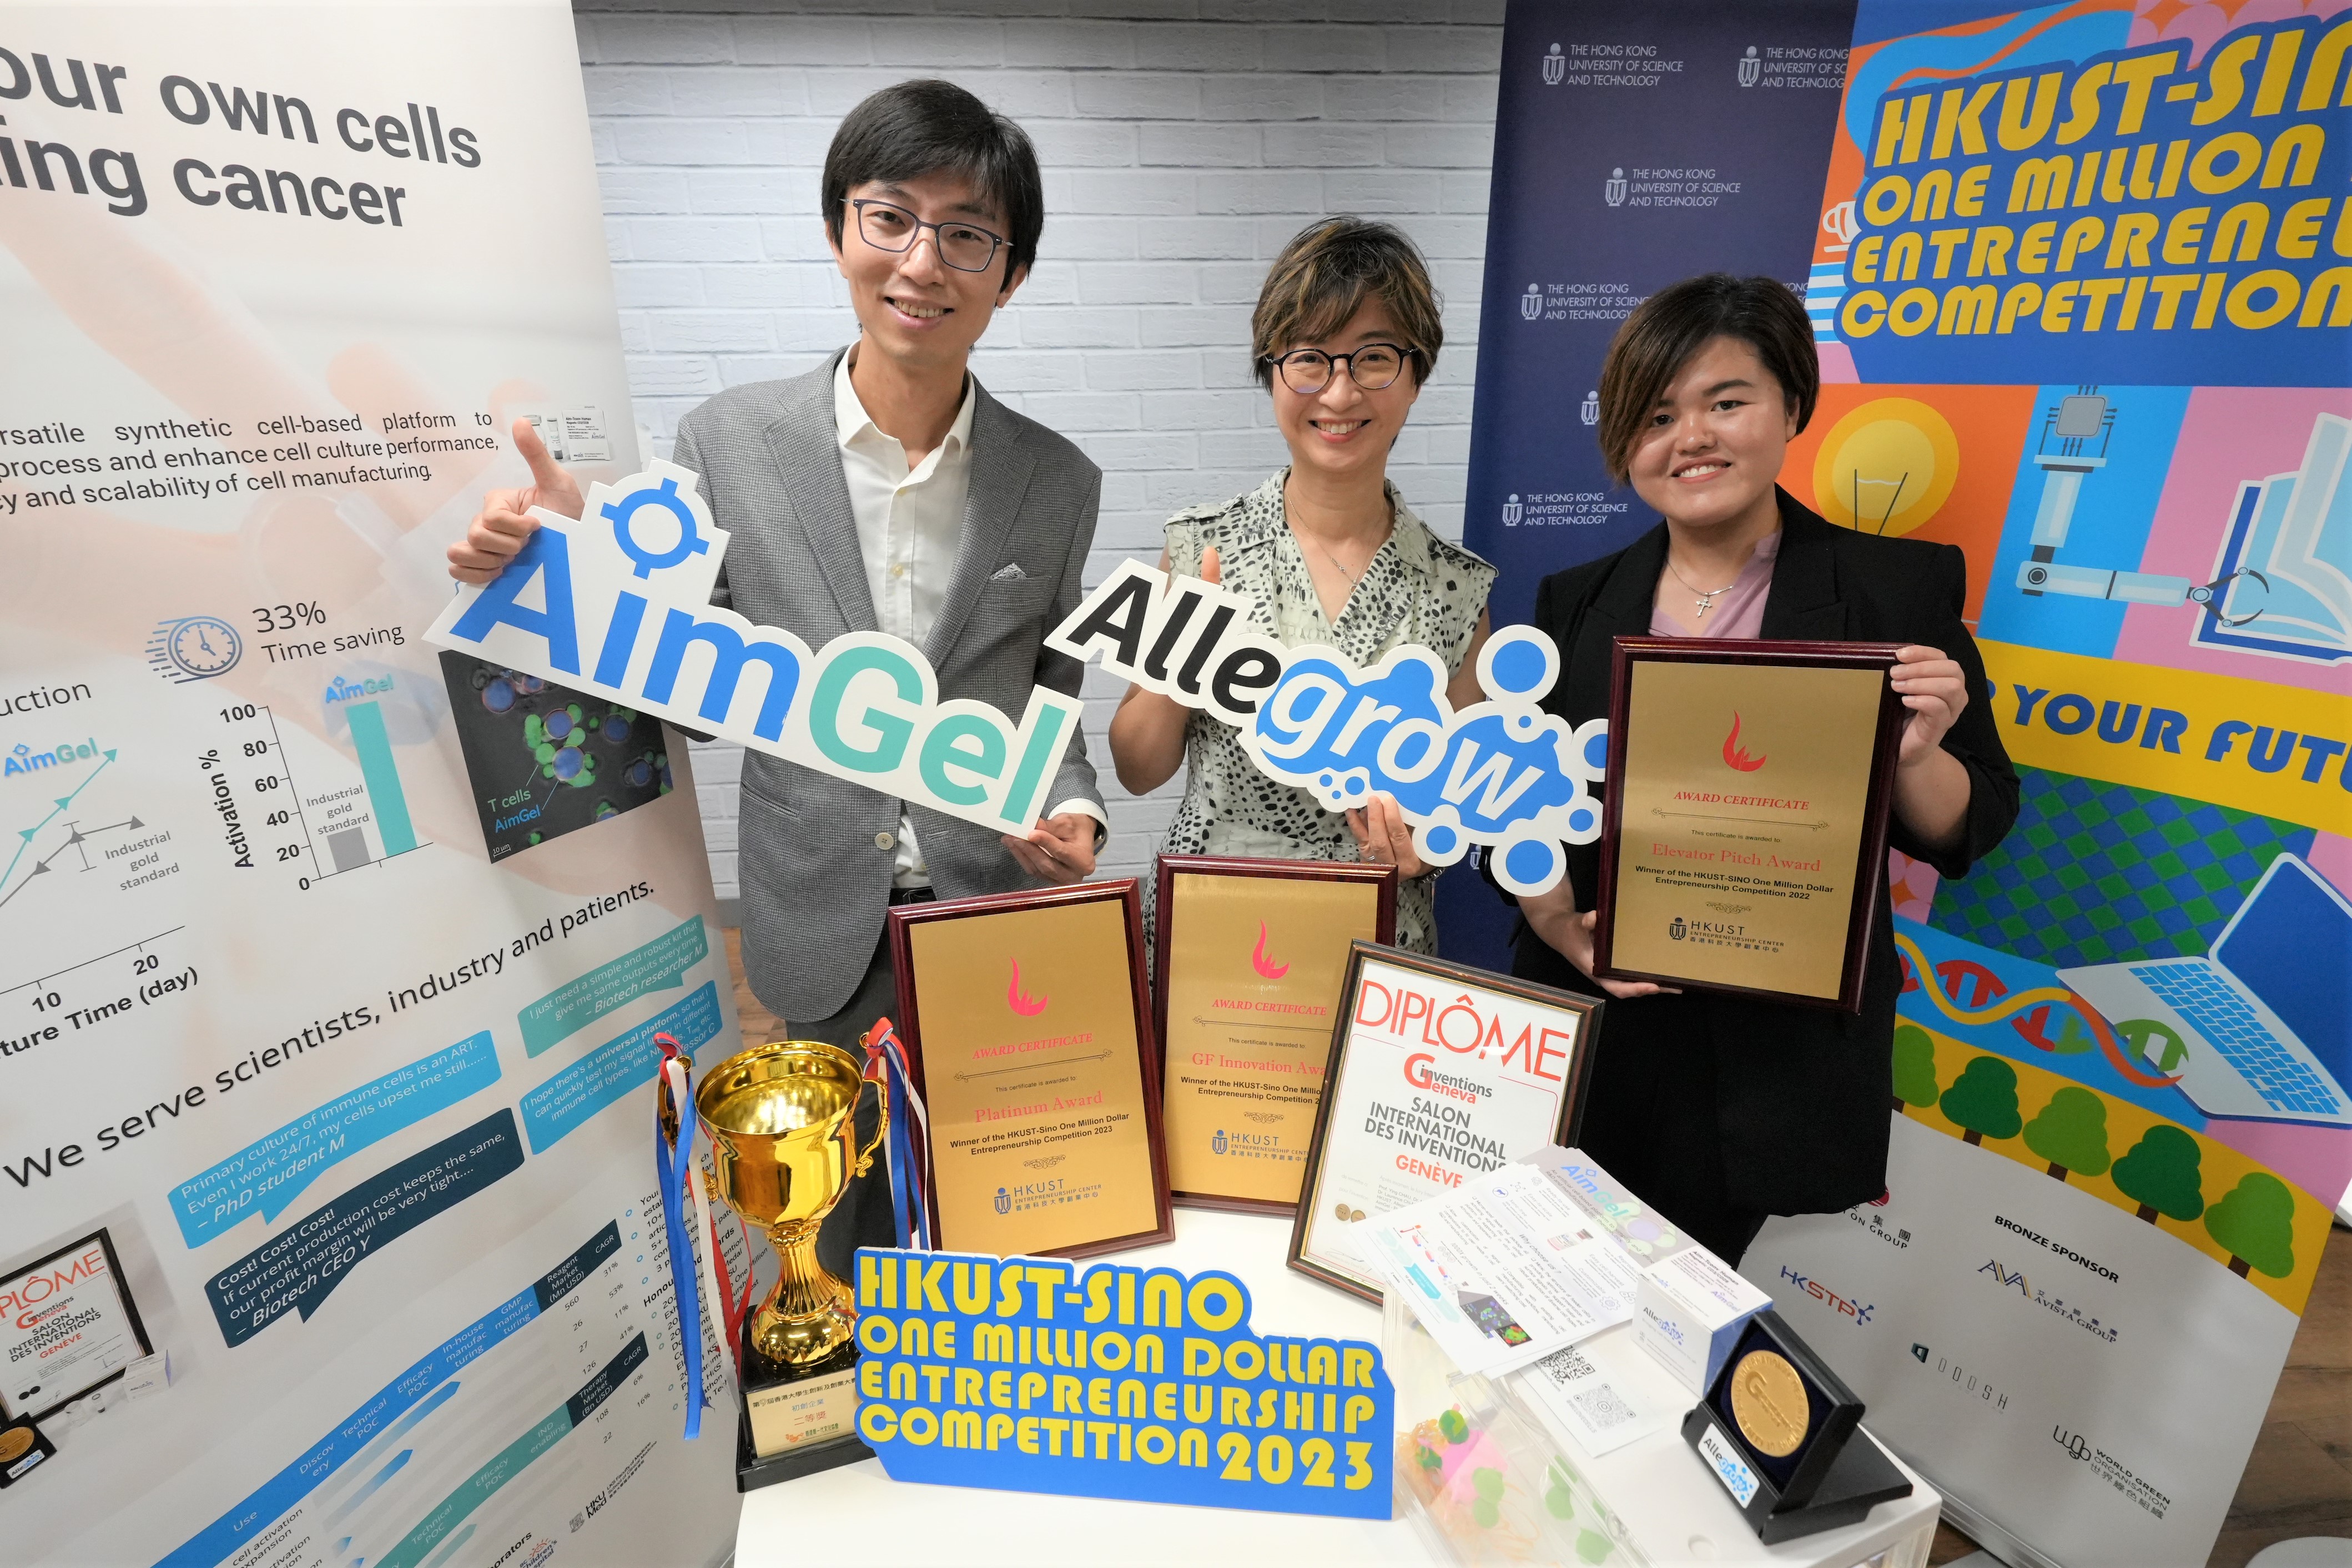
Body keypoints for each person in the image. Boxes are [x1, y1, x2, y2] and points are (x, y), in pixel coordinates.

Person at [448, 79, 1109, 1282]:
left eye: (968, 234)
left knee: (995, 1204)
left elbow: (1052, 689)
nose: (923, 261)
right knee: (840, 1223)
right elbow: (677, 682)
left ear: (1007, 274)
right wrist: (571, 565)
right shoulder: (727, 442)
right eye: (890, 217)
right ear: (835, 229)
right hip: (816, 915)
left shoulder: (1057, 478)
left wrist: (1073, 803)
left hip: (985, 910)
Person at [1499, 274, 2018, 1264]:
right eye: (1654, 415)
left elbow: (1974, 820)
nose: (1689, 436)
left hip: (1771, 1055)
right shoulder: (1573, 598)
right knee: (1559, 1283)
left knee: (1689, 1300)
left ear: (1791, 404)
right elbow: (1515, 807)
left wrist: (1914, 755)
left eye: (1725, 401)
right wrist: (1555, 921)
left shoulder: (1889, 587)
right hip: (1601, 1025)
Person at [1109, 218, 1494, 954]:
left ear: (1415, 376)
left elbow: (1460, 805)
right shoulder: (1199, 545)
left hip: (1376, 949)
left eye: (1374, 358)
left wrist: (1429, 848)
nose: (1340, 392)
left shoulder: (1456, 587)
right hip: (1210, 941)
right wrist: (1183, 650)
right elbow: (1136, 767)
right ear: (1273, 369)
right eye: (1310, 359)